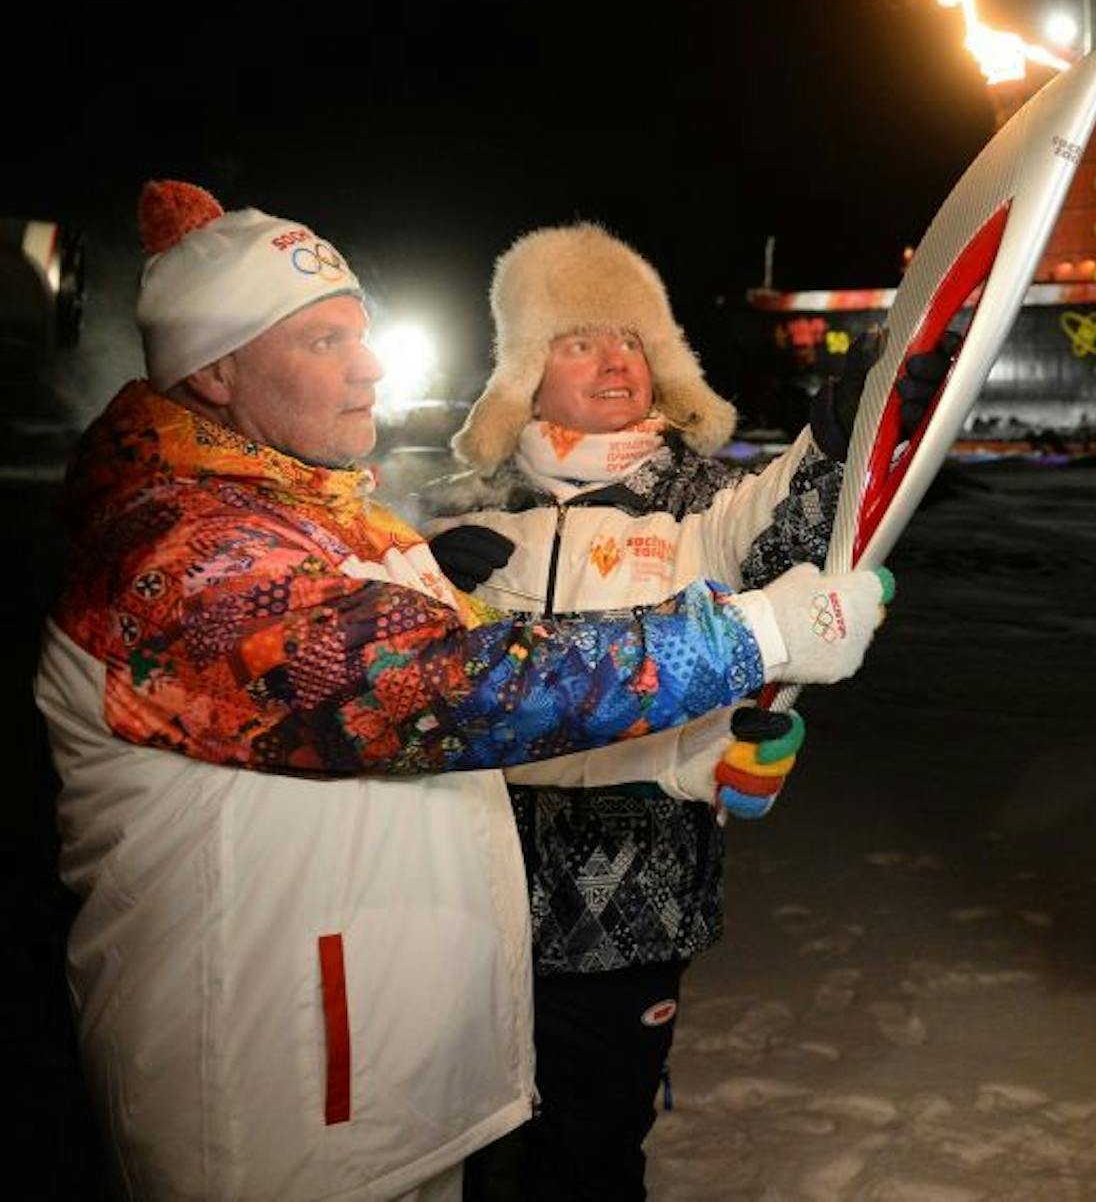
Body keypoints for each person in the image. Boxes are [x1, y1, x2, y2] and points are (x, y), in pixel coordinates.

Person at [35, 182, 892, 1202]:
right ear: (216, 368)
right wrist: (756, 633)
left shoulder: (327, 519)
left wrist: (710, 739)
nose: (373, 363)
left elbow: (502, 671)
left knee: (586, 1155)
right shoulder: (183, 554)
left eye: (364, 333)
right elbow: (455, 688)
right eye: (325, 340)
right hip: (278, 1097)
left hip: (416, 1046)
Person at [414, 223, 952, 1200]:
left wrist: (845, 431)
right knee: (461, 1151)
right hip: (457, 896)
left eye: (632, 339)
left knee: (591, 1152)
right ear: (527, 367)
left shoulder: (698, 498)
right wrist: (417, 585)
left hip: (628, 905)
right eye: (579, 339)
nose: (615, 359)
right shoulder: (454, 508)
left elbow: (787, 522)